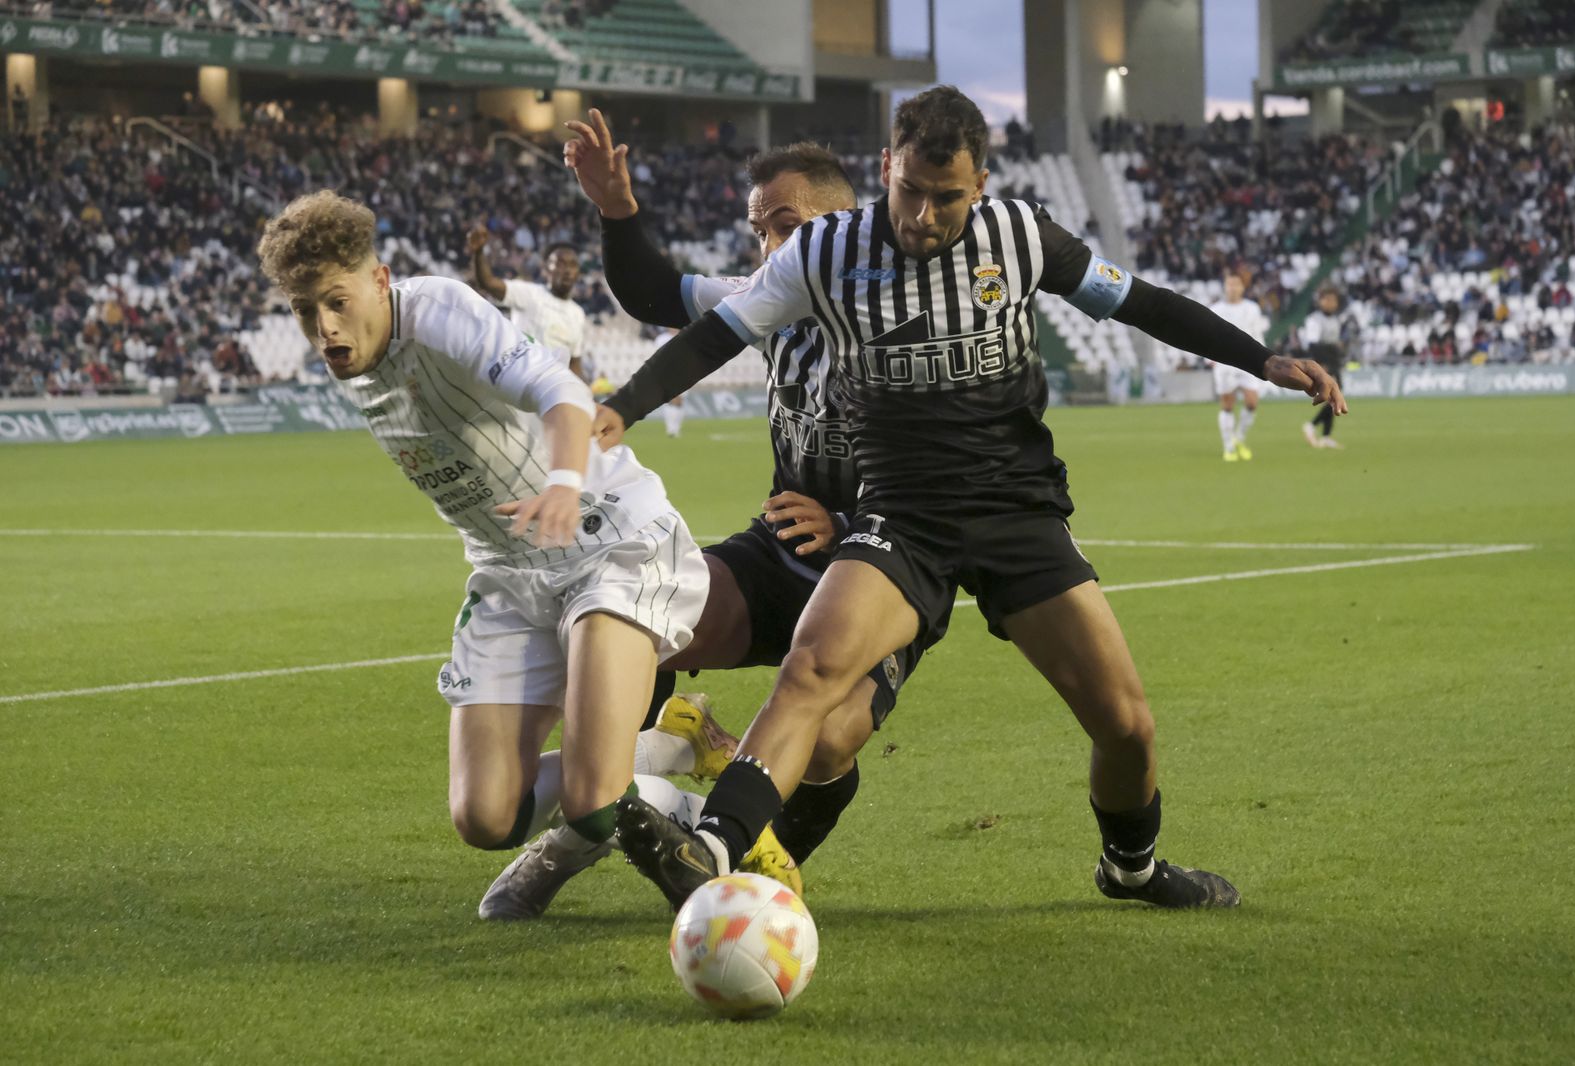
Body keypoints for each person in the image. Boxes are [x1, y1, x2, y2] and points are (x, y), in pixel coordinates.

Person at [599, 86, 1346, 912]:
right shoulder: (823, 254)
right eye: (909, 190)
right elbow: (716, 333)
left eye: (946, 197)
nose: (923, 215)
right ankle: (711, 850)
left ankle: (1129, 868)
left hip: (1014, 512)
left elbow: (1139, 303)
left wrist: (1260, 358)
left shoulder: (1022, 238)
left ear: (980, 184)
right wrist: (621, 407)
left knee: (1127, 726)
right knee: (813, 669)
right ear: (888, 166)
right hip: (899, 517)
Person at [255, 190, 782, 923]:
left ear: (379, 280)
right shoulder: (356, 355)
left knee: (594, 801)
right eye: (305, 312)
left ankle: (652, 825)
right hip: (510, 571)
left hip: (606, 540)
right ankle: (665, 754)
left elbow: (562, 393)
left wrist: (564, 485)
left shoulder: (435, 310)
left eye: (336, 302)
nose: (324, 328)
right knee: (484, 816)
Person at [565, 110, 932, 879]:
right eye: (759, 231)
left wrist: (847, 522)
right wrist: (617, 211)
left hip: (889, 563)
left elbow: (957, 470)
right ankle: (612, 808)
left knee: (830, 740)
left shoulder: (912, 318)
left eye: (785, 226)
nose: (768, 248)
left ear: (845, 223)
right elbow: (653, 291)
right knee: (643, 609)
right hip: (781, 553)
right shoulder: (761, 298)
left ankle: (760, 866)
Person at [467, 226, 588, 382]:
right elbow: (488, 282)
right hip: (518, 382)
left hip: (550, 390)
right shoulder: (529, 294)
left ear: (578, 272)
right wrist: (478, 252)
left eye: (572, 265)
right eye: (560, 263)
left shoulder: (577, 313)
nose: (567, 270)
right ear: (546, 269)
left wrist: (584, 394)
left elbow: (574, 362)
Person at [1208, 271, 1270, 461]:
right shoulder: (1216, 308)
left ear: (1243, 288)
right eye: (1230, 284)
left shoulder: (1252, 308)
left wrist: (1264, 358)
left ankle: (1239, 438)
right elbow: (1207, 333)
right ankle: (1228, 447)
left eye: (1236, 284)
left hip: (1248, 360)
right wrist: (1208, 356)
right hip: (1225, 362)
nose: (1233, 288)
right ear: (1225, 287)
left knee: (1252, 402)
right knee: (1227, 404)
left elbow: (1257, 334)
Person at [1299, 287, 1348, 449]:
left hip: (1333, 361)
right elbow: (1313, 345)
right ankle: (1311, 426)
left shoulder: (1335, 320)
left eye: (1333, 300)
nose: (1331, 303)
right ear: (1320, 301)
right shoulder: (1314, 319)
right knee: (1333, 396)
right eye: (1327, 300)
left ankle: (1326, 436)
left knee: (1334, 397)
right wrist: (1322, 364)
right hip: (1323, 363)